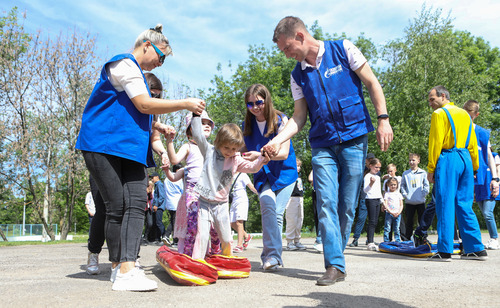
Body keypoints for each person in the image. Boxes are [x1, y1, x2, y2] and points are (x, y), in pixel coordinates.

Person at [75, 24, 205, 291]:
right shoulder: (124, 64)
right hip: (104, 145)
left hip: (131, 150)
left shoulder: (140, 75)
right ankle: (120, 269)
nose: (161, 62)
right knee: (115, 207)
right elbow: (144, 104)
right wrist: (186, 103)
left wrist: (158, 134)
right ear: (147, 45)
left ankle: (126, 267)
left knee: (136, 204)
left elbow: (142, 114)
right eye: (161, 56)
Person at [266, 16, 393, 285]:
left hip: (354, 138)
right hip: (322, 143)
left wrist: (383, 119)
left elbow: (372, 82)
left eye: (286, 47)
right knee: (325, 202)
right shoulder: (297, 75)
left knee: (347, 205)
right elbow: (299, 117)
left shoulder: (343, 49)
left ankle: (338, 256)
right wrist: (279, 139)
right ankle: (334, 264)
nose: (286, 54)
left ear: (300, 36)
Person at [190, 112, 270, 260]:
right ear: (219, 142)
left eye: (234, 149)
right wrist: (196, 115)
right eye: (226, 147)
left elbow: (253, 168)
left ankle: (227, 259)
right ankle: (197, 262)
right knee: (202, 236)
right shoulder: (209, 151)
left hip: (221, 204)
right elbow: (197, 135)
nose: (230, 152)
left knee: (226, 238)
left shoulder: (235, 159)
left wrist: (262, 158)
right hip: (204, 202)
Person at [241, 83, 298, 271]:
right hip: (262, 175)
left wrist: (258, 155)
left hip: (284, 174)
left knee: (277, 214)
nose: (255, 107)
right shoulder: (246, 125)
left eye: (258, 102)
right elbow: (239, 151)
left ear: (267, 100)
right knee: (267, 204)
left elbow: (283, 153)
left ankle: (273, 256)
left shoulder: (281, 119)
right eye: (250, 104)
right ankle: (272, 256)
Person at [426, 85, 486, 261]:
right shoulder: (465, 115)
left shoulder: (439, 114)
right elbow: (473, 144)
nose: (430, 103)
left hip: (448, 158)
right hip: (466, 158)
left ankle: (445, 251)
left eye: (432, 99)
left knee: (445, 203)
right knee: (465, 204)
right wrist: (474, 167)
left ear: (443, 96)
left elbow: (435, 143)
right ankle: (475, 248)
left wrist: (431, 168)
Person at [165, 110, 215, 256]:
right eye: (201, 123)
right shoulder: (189, 146)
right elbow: (175, 160)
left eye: (208, 124)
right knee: (192, 224)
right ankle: (186, 253)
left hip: (207, 190)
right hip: (193, 190)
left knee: (207, 225)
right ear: (190, 131)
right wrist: (169, 141)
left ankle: (204, 253)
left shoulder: (212, 148)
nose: (206, 126)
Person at [463, 100, 500, 249]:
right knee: (471, 210)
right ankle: (472, 240)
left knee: (487, 212)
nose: (468, 118)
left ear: (476, 115)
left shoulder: (482, 133)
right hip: (470, 177)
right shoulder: (460, 132)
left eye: (471, 116)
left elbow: (490, 156)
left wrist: (496, 179)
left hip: (485, 177)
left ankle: (494, 238)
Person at [400, 153, 429, 240]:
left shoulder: (423, 173)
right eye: (410, 160)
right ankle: (407, 237)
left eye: (413, 160)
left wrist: (423, 194)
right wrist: (405, 195)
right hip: (410, 201)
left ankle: (423, 236)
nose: (411, 162)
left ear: (418, 161)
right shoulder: (406, 173)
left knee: (422, 220)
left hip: (420, 201)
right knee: (409, 221)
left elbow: (426, 185)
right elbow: (402, 185)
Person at [349, 153, 375, 247]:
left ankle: (370, 239)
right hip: (364, 196)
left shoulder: (376, 171)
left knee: (372, 219)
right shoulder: (361, 170)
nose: (370, 162)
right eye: (369, 160)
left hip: (373, 197)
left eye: (372, 160)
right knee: (361, 217)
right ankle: (356, 239)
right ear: (366, 161)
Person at [229, 172, 258, 253]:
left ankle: (239, 245)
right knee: (231, 223)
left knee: (239, 222)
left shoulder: (243, 175)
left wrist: (260, 194)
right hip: (233, 201)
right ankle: (246, 236)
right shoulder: (229, 174)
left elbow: (251, 187)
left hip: (241, 200)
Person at [285, 158, 306, 251]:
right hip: (291, 199)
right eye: (297, 166)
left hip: (300, 198)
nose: (298, 168)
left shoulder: (299, 176)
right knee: (291, 220)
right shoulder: (289, 175)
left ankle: (297, 240)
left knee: (300, 219)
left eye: (299, 166)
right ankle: (289, 241)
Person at [363, 158, 383, 251]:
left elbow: (379, 191)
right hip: (370, 199)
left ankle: (371, 240)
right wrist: (371, 183)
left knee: (375, 221)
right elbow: (365, 190)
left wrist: (382, 202)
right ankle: (370, 241)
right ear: (370, 166)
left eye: (379, 167)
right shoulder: (367, 176)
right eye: (376, 167)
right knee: (371, 221)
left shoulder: (378, 177)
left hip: (377, 199)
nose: (378, 169)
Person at [163, 163, 184, 247]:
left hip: (169, 202)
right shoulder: (178, 179)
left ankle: (174, 239)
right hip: (177, 202)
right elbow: (183, 190)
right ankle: (168, 236)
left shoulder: (166, 179)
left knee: (173, 220)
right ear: (177, 170)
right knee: (175, 222)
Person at [382, 177, 404, 242]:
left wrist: (399, 212)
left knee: (397, 228)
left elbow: (401, 204)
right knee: (387, 228)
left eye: (394, 184)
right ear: (388, 185)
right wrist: (390, 212)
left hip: (397, 214)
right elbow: (385, 204)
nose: (393, 186)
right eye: (391, 185)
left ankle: (397, 240)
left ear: (397, 185)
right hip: (389, 213)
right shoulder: (387, 194)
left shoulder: (399, 194)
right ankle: (386, 240)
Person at [151, 172, 168, 244]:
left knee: (159, 222)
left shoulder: (159, 184)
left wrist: (156, 205)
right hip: (157, 206)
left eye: (153, 177)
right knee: (156, 222)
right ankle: (157, 239)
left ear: (157, 177)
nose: (152, 179)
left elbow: (161, 196)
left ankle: (165, 236)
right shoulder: (156, 185)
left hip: (159, 207)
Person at [308, 170, 323, 253]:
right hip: (317, 192)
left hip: (326, 190)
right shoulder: (316, 166)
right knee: (318, 215)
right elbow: (310, 178)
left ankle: (321, 239)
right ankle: (319, 239)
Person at [142, 180, 155, 244]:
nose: (150, 187)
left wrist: (150, 192)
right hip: (143, 208)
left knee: (150, 223)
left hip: (149, 208)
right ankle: (140, 238)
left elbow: (151, 198)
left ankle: (145, 237)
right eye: (150, 186)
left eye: (152, 186)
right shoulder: (143, 191)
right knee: (141, 223)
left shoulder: (150, 192)